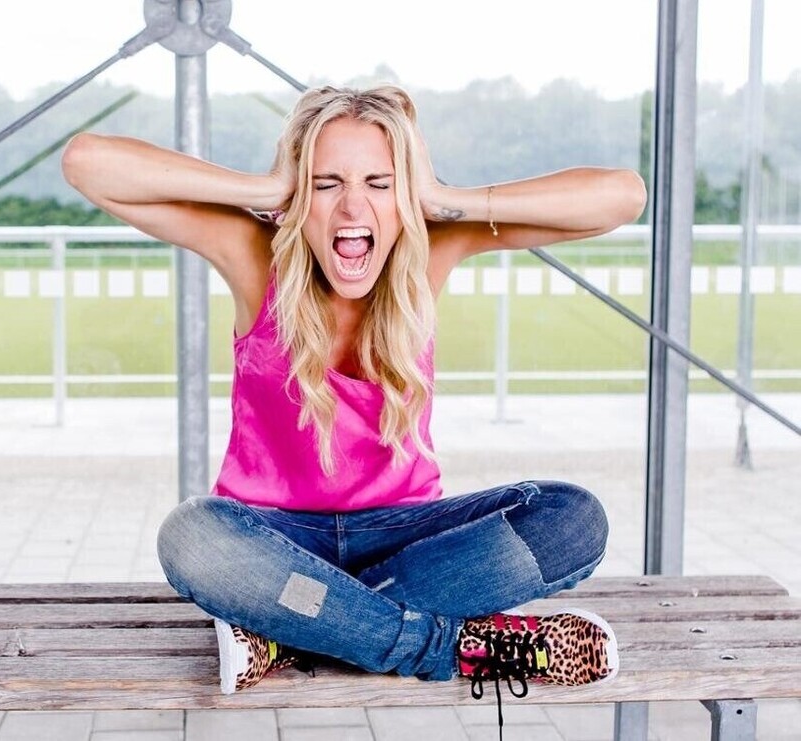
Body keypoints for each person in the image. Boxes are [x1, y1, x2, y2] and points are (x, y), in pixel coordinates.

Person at [61, 85, 646, 703]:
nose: (351, 206)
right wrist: (268, 189)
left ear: (404, 194)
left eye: (378, 182)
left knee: (572, 520)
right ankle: (448, 647)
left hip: (406, 540)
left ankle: (295, 633)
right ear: (299, 193)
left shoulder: (429, 252)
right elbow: (87, 162)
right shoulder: (254, 254)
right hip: (273, 541)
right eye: (326, 183)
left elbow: (622, 197)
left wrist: (442, 199)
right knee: (192, 535)